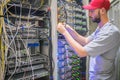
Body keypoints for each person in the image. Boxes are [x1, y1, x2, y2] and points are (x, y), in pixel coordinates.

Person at [57, 0, 120, 80]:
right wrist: (69, 29)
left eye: (92, 11)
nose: (90, 14)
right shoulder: (101, 29)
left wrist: (64, 32)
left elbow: (82, 52)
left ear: (103, 11)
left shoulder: (110, 33)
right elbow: (85, 41)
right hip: (96, 76)